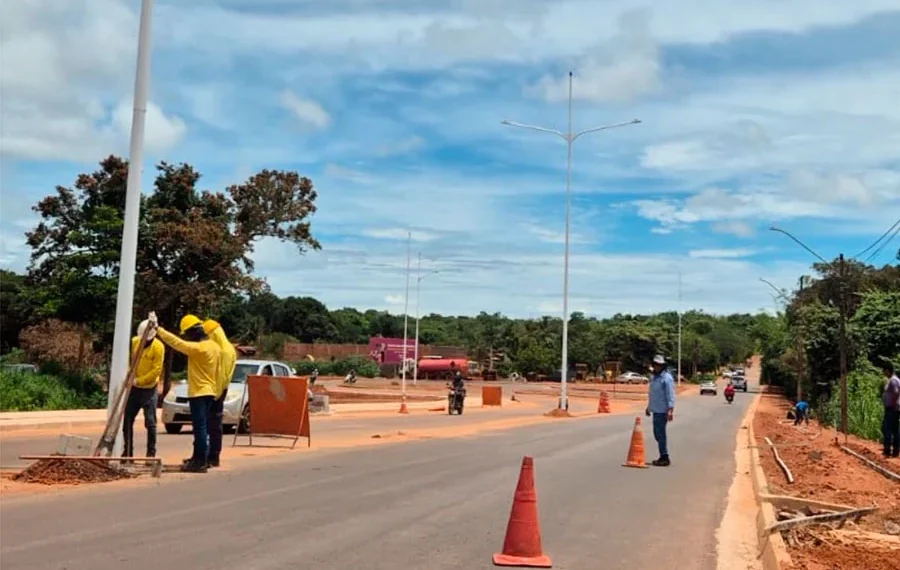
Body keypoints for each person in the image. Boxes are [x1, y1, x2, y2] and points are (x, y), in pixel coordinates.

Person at [148, 312, 220, 473]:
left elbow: (176, 343)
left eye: (188, 334)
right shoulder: (214, 347)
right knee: (203, 427)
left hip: (199, 393)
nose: (187, 338)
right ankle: (200, 458)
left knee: (199, 428)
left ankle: (200, 461)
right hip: (210, 391)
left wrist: (158, 329)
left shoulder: (198, 349)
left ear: (194, 332)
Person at [122, 320, 164, 458]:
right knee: (127, 419)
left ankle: (151, 454)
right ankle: (128, 452)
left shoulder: (158, 347)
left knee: (150, 422)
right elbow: (129, 361)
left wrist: (138, 381)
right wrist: (128, 376)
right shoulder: (135, 342)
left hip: (149, 389)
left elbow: (156, 370)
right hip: (134, 390)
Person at [202, 319, 237, 468]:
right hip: (216, 390)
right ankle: (208, 455)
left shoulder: (224, 351)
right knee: (210, 425)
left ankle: (212, 456)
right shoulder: (227, 348)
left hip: (217, 392)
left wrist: (215, 395)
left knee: (213, 425)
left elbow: (222, 376)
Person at [645, 354, 676, 467]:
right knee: (657, 434)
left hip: (663, 410)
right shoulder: (655, 378)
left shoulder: (666, 378)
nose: (657, 367)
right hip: (655, 410)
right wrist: (649, 407)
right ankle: (663, 455)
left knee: (660, 434)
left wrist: (670, 410)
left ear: (663, 366)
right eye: (655, 365)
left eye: (659, 365)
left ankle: (664, 456)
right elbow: (653, 394)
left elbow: (670, 395)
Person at [882, 361, 900, 458]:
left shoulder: (893, 380)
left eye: (884, 371)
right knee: (894, 429)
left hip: (892, 409)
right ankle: (895, 450)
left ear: (888, 371)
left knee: (888, 429)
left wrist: (893, 404)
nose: (884, 374)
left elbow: (896, 392)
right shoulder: (893, 380)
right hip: (893, 408)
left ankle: (888, 450)